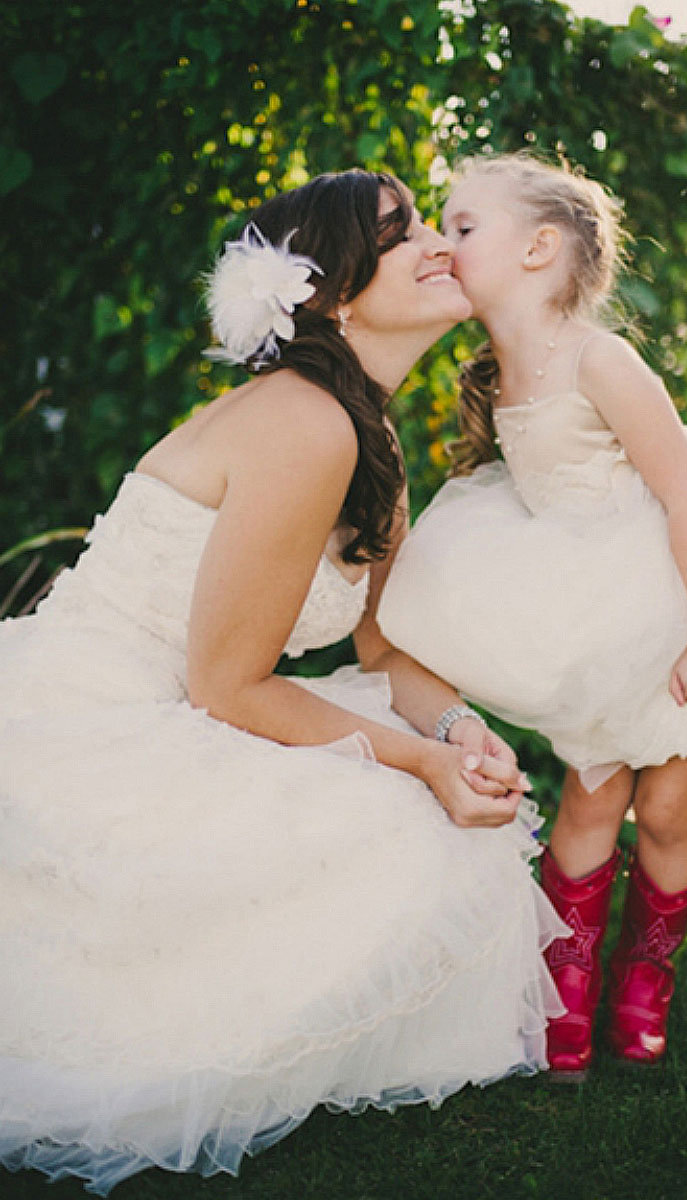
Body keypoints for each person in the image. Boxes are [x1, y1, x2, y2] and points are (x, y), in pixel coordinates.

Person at [0, 168, 570, 1193]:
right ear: (334, 291)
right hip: (101, 716)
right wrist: (413, 767)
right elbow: (228, 685)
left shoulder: (367, 432)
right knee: (394, 824)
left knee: (430, 813)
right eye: (400, 234)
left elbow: (385, 653)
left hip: (191, 702)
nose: (436, 243)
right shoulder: (305, 422)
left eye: (431, 224)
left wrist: (453, 734)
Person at [377, 152, 687, 1080]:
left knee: (666, 808)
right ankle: (565, 984)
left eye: (461, 226)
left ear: (538, 248)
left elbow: (686, 495)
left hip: (665, 601)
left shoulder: (598, 357)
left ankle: (646, 977)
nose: (443, 245)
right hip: (585, 606)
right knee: (593, 791)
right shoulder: (497, 372)